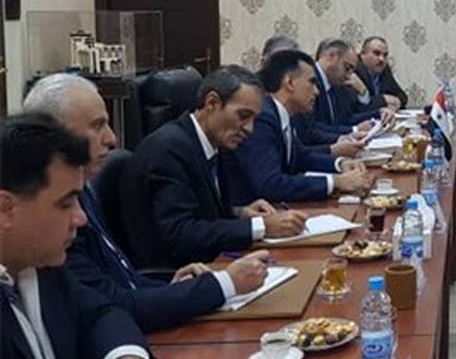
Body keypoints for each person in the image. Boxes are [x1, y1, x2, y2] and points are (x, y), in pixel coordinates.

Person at [0, 114, 217, 359]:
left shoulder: (39, 261)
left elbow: (101, 312)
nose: (81, 218)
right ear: (7, 209)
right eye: (66, 203)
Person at [22, 73, 271, 330]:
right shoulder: (51, 216)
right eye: (97, 126)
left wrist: (172, 287)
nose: (112, 139)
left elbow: (121, 281)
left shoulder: (80, 191)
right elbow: (111, 303)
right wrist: (224, 283)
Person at [120, 66, 308, 269]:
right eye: (243, 115)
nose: (250, 129)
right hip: (177, 274)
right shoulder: (168, 149)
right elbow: (180, 233)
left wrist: (240, 213)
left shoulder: (210, 142)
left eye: (254, 119)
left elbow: (201, 213)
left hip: (211, 261)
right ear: (212, 103)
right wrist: (260, 227)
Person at [224, 49, 373, 206]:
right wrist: (335, 182)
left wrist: (340, 163)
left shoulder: (282, 113)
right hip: (257, 212)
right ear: (289, 83)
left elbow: (301, 156)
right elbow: (270, 184)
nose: (317, 91)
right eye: (312, 82)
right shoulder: (263, 118)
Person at [355, 35, 408, 111]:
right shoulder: (354, 71)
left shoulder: (385, 69)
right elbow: (359, 104)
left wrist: (397, 102)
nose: (381, 59)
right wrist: (384, 99)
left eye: (385, 55)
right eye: (377, 53)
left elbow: (402, 96)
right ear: (362, 54)